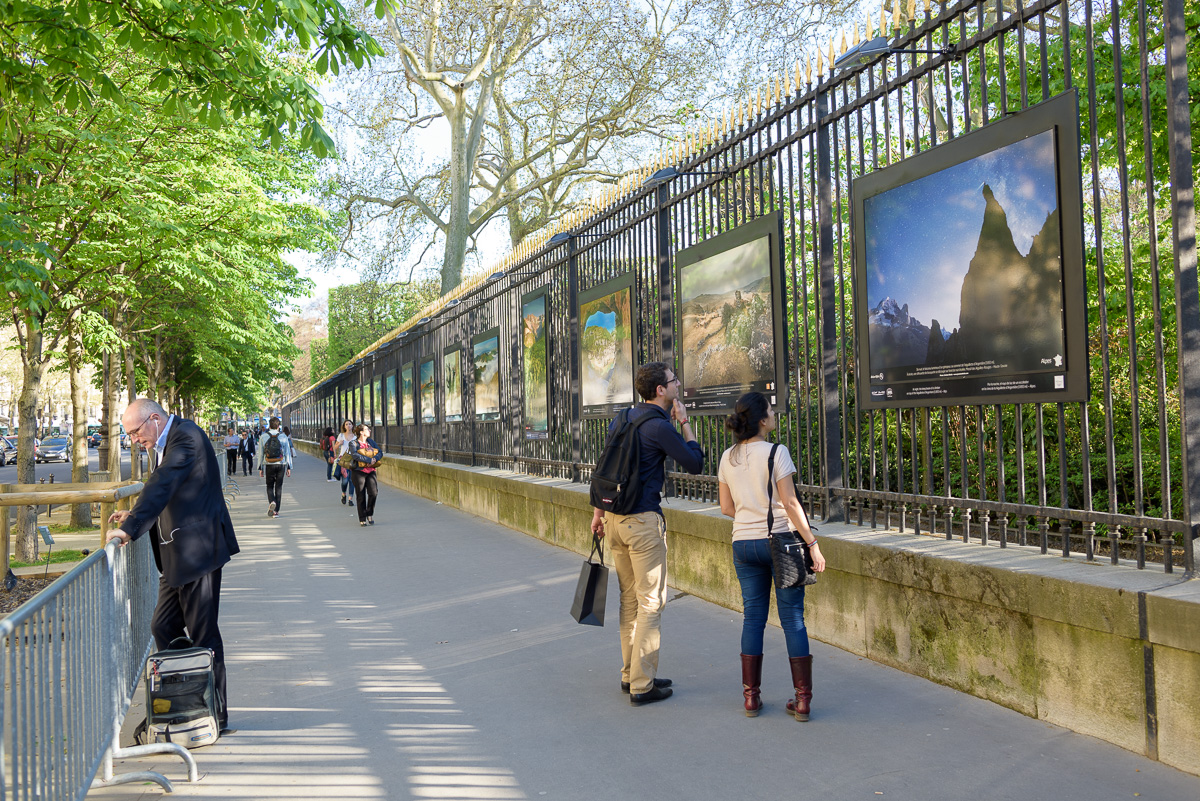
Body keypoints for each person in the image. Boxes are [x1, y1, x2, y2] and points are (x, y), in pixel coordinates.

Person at [105, 398, 239, 733]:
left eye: (136, 432)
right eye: (131, 436)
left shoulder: (187, 436)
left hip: (198, 553)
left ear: (154, 419)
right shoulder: (167, 440)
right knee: (162, 626)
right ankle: (182, 699)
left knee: (204, 635)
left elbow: (164, 483)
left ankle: (213, 714)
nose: (135, 440)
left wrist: (129, 529)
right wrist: (134, 514)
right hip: (175, 556)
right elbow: (161, 487)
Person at [588, 361, 705, 706]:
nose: (678, 384)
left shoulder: (622, 418)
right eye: (673, 380)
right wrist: (685, 424)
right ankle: (642, 684)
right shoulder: (659, 426)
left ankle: (632, 673)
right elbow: (695, 463)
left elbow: (606, 467)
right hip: (641, 525)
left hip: (613, 521)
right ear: (660, 390)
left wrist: (598, 514)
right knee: (651, 603)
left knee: (629, 600)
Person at [717, 391, 826, 720]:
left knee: (753, 618)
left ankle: (751, 699)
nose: (775, 414)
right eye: (771, 411)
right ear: (762, 420)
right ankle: (802, 701)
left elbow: (726, 507)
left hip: (743, 544)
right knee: (792, 619)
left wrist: (750, 517)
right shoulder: (777, 453)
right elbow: (791, 504)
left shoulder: (727, 457)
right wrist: (812, 544)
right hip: (779, 541)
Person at [257, 417, 292, 518]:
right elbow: (287, 453)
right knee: (279, 487)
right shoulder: (283, 436)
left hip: (269, 464)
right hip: (281, 464)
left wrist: (260, 468)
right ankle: (276, 511)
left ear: (269, 425)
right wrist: (289, 467)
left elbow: (261, 454)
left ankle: (272, 501)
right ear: (278, 426)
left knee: (269, 486)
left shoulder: (263, 437)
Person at [349, 424, 382, 526]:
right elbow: (355, 455)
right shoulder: (353, 443)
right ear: (361, 432)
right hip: (358, 471)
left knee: (373, 493)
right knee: (361, 495)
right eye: (367, 429)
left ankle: (369, 513)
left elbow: (380, 452)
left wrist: (374, 459)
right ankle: (362, 518)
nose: (370, 431)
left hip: (370, 471)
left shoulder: (371, 442)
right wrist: (368, 459)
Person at [335, 419, 357, 507]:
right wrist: (339, 444)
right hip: (343, 461)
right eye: (346, 424)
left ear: (352, 426)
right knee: (345, 481)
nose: (348, 425)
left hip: (353, 460)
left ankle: (350, 499)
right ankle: (343, 494)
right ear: (344, 426)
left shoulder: (355, 437)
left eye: (350, 424)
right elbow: (335, 447)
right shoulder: (341, 436)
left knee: (352, 480)